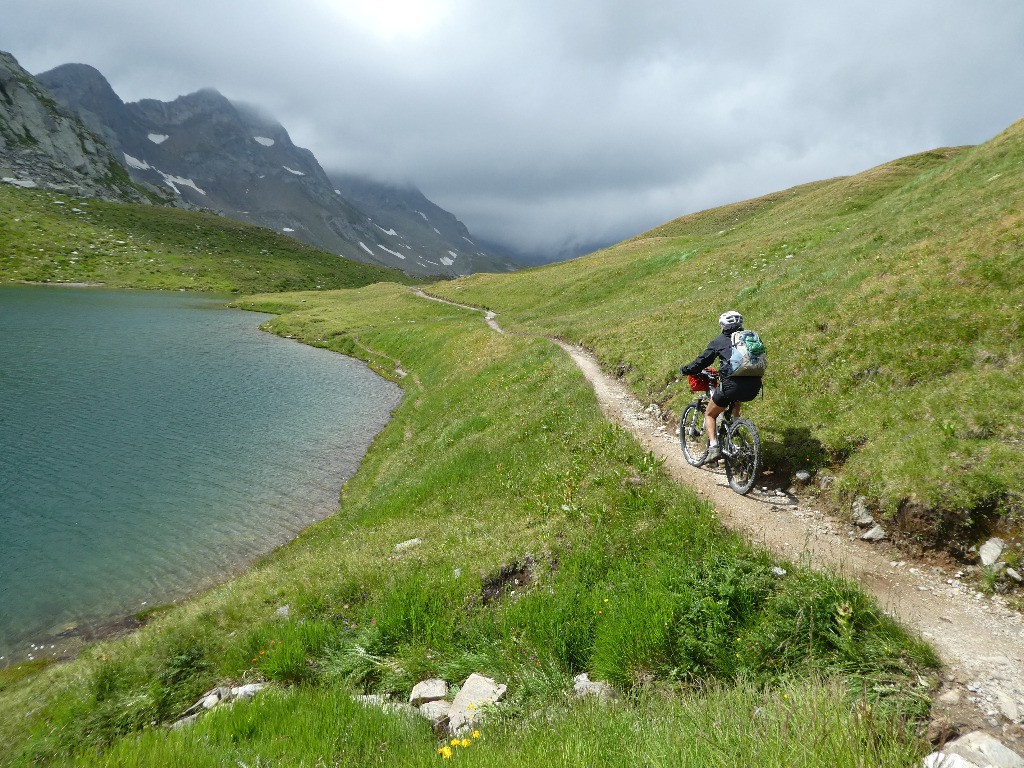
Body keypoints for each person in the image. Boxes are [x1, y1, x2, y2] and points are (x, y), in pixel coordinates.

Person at [679, 310, 763, 464]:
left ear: (723, 325)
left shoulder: (720, 341)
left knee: (710, 414)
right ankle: (735, 428)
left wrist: (686, 370)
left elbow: (702, 361)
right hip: (754, 386)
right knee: (736, 399)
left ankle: (714, 448)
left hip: (732, 385)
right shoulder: (748, 339)